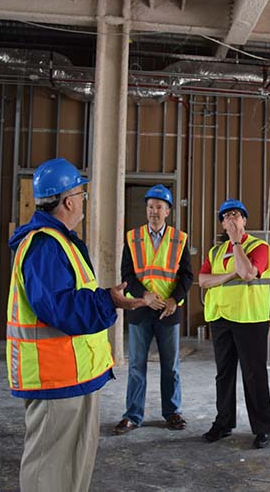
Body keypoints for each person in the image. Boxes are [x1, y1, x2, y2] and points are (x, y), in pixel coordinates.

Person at [6, 158, 144, 492]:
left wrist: (104, 298)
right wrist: (107, 300)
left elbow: (67, 297)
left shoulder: (60, 242)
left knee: (71, 469)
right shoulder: (44, 245)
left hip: (73, 375)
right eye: (81, 194)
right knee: (49, 471)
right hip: (55, 379)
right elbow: (60, 307)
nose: (83, 201)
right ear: (68, 201)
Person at [113, 184, 194, 435]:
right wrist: (143, 295)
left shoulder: (180, 239)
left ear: (168, 211)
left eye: (159, 207)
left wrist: (173, 300)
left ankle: (172, 412)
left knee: (171, 366)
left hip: (168, 312)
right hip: (140, 310)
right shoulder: (132, 237)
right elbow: (126, 273)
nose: (153, 211)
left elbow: (187, 276)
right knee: (137, 365)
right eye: (150, 206)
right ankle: (133, 415)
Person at [199, 199, 270, 449]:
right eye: (225, 216)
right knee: (224, 374)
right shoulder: (214, 252)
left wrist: (236, 242)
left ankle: (262, 428)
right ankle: (224, 423)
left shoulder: (259, 247)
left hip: (249, 318)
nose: (230, 219)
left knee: (254, 375)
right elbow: (202, 280)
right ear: (221, 223)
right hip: (220, 318)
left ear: (244, 220)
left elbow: (247, 272)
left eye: (235, 215)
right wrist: (227, 275)